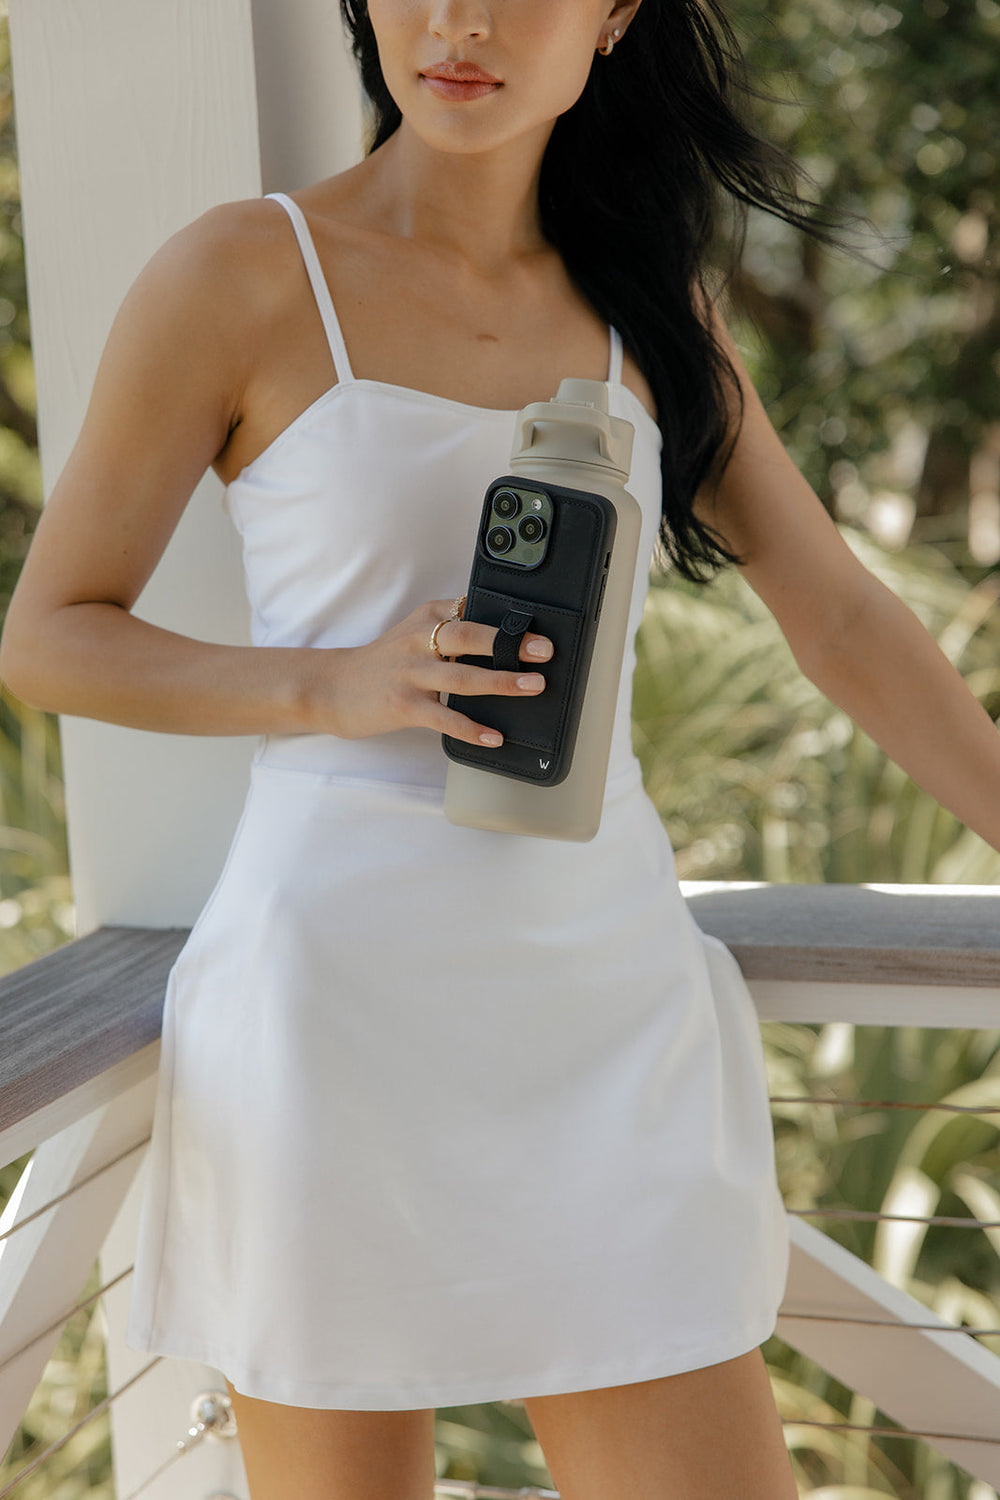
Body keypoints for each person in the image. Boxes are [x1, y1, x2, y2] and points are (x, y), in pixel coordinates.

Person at [3, 1, 999, 1497]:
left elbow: (843, 617)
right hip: (331, 1022)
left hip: (602, 1009)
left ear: (613, 18)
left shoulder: (647, 299)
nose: (462, 20)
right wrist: (334, 686)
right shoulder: (242, 272)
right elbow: (48, 637)